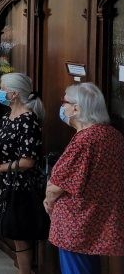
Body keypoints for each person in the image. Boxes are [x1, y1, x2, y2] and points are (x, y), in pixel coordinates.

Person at [45, 83, 124, 274]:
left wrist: (48, 201)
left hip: (77, 223)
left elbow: (57, 186)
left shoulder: (84, 140)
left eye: (64, 102)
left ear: (77, 109)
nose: (62, 107)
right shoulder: (114, 135)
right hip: (103, 220)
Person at [0, 73, 46, 274]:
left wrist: (1, 168)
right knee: (13, 231)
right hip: (6, 183)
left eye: (3, 89)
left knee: (21, 234)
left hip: (22, 185)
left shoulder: (28, 120)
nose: (0, 92)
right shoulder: (8, 116)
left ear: (14, 93)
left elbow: (28, 161)